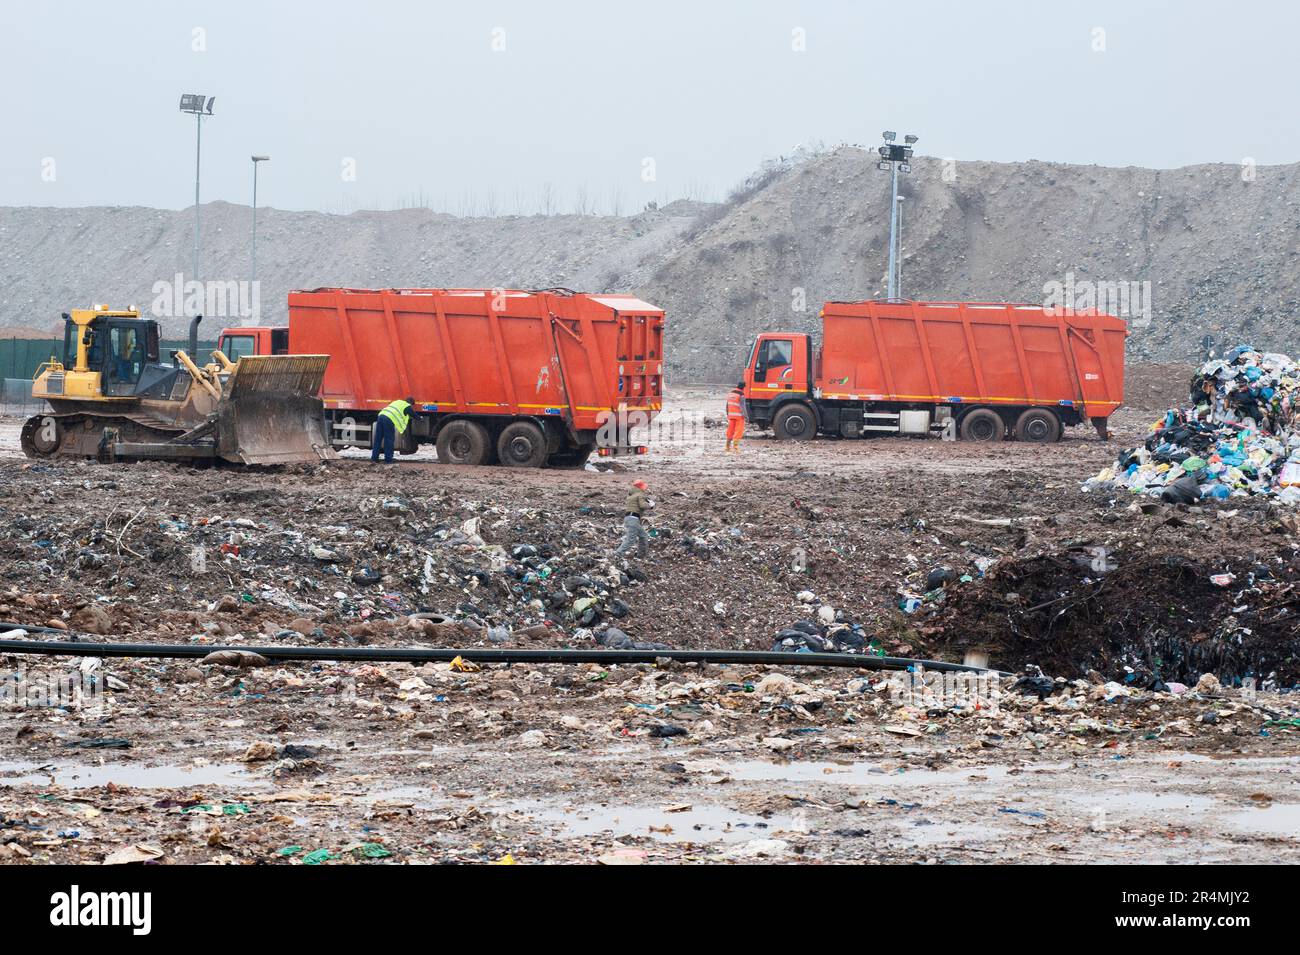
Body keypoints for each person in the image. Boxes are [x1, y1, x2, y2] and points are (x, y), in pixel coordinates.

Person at [615, 479, 651, 558]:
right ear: (641, 487)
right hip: (633, 519)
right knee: (631, 539)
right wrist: (650, 505)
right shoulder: (640, 494)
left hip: (629, 518)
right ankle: (618, 554)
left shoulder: (631, 495)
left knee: (643, 536)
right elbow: (642, 505)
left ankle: (641, 556)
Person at [372, 396, 414, 464]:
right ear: (411, 403)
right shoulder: (407, 406)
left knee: (378, 439)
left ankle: (374, 458)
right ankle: (388, 460)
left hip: (380, 416)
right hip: (388, 420)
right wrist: (420, 418)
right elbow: (413, 414)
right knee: (389, 440)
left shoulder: (397, 401)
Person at [725, 382, 746, 452]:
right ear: (743, 387)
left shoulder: (731, 393)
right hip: (739, 416)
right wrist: (746, 416)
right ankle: (735, 447)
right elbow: (743, 407)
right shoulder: (741, 395)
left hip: (731, 415)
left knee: (730, 430)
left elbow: (727, 405)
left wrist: (728, 413)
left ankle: (727, 446)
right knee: (738, 431)